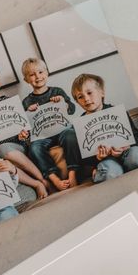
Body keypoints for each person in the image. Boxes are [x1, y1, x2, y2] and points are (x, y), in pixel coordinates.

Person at [0, 60, 47, 199]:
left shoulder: (11, 101)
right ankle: (36, 184)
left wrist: (24, 135)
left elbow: (26, 133)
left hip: (16, 147)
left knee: (3, 148)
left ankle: (42, 179)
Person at [71, 73, 138, 183]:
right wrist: (98, 158)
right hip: (107, 161)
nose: (86, 99)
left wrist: (127, 145)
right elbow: (83, 159)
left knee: (137, 157)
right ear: (77, 101)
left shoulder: (118, 113)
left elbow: (137, 136)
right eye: (80, 96)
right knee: (109, 173)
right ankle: (103, 174)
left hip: (126, 153)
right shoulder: (79, 126)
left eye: (89, 93)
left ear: (102, 92)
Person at [21, 57, 81, 190]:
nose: (38, 76)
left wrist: (63, 102)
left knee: (71, 135)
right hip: (43, 137)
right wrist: (27, 111)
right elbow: (26, 126)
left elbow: (72, 109)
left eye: (41, 72)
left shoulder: (57, 91)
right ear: (26, 80)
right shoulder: (26, 102)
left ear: (47, 73)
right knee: (34, 148)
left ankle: (72, 174)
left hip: (62, 131)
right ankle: (55, 180)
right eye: (32, 74)